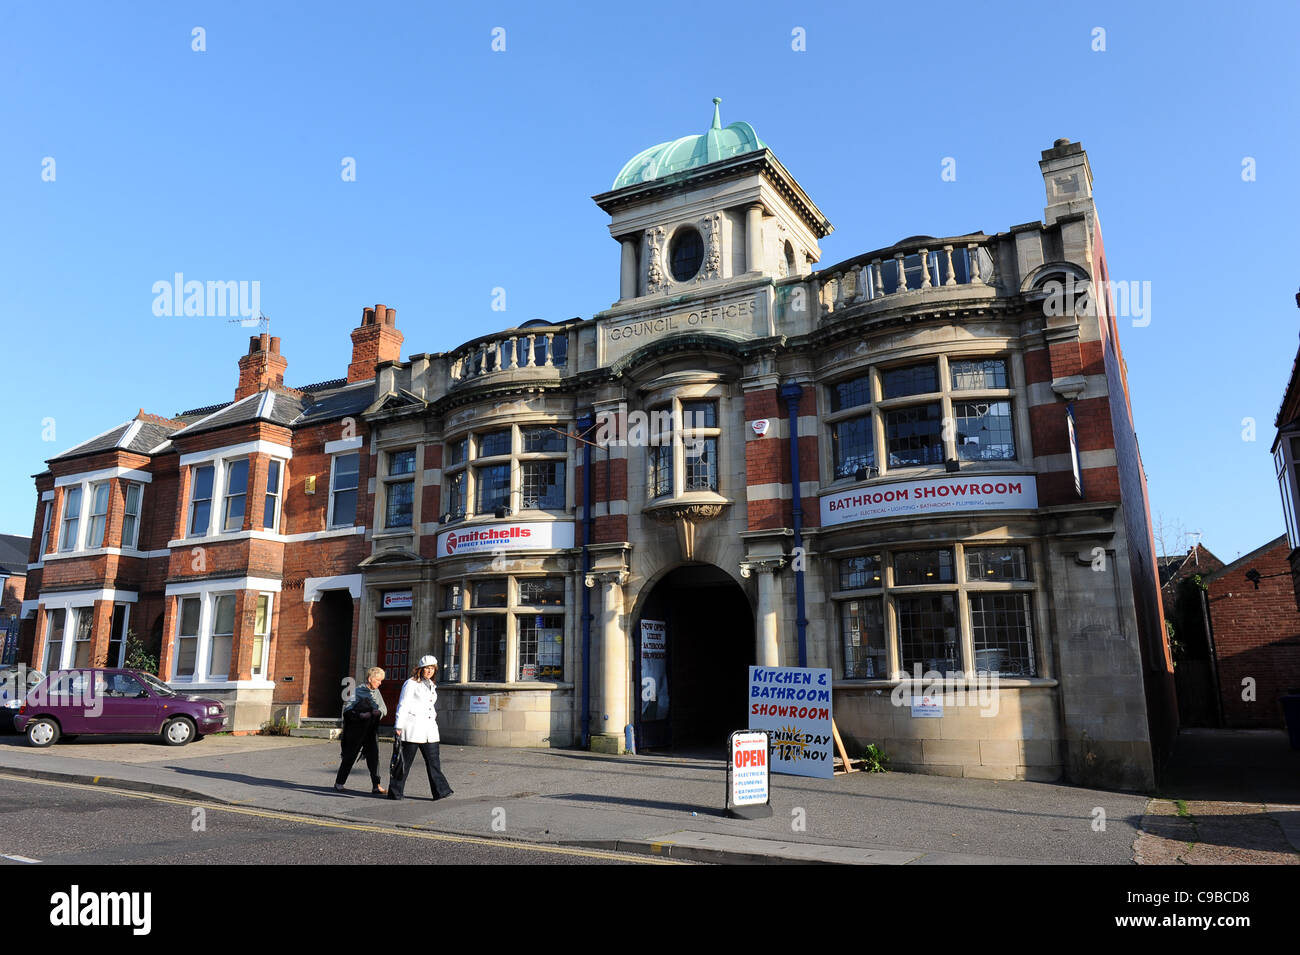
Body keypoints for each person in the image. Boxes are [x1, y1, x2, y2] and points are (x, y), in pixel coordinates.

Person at [387, 654, 454, 801]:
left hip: (429, 729)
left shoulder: (431, 684)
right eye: (427, 668)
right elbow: (403, 704)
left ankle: (441, 791)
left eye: (432, 668)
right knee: (404, 763)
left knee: (434, 762)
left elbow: (429, 704)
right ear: (420, 669)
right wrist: (398, 725)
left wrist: (434, 713)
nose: (429, 671)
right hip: (412, 728)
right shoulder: (410, 684)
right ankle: (395, 792)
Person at [334, 666, 388, 794]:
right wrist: (360, 715)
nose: (380, 683)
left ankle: (376, 785)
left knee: (374, 758)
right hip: (356, 731)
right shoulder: (356, 691)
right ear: (370, 679)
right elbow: (347, 710)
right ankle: (339, 783)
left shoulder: (376, 693)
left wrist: (378, 712)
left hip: (370, 731)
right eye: (378, 680)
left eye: (381, 681)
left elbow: (384, 709)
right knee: (349, 756)